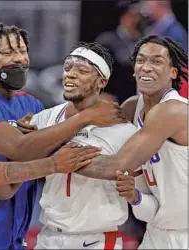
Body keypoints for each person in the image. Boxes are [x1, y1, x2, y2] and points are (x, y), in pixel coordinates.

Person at [0, 22, 125, 249]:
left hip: (16, 238)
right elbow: (11, 158)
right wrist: (85, 119)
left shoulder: (32, 105)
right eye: (8, 52)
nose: (20, 58)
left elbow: (16, 174)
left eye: (23, 51)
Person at [74, 35, 188, 249]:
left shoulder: (173, 110)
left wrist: (54, 159)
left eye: (156, 61)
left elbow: (116, 165)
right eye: (141, 60)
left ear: (173, 72)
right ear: (134, 69)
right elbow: (91, 127)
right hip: (157, 230)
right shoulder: (132, 107)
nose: (146, 67)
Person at [27, 42, 139, 249]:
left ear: (101, 82)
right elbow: (20, 151)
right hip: (48, 236)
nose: (71, 74)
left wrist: (44, 151)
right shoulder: (44, 119)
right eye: (68, 67)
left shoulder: (123, 129)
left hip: (96, 239)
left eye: (82, 70)